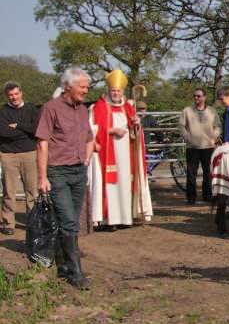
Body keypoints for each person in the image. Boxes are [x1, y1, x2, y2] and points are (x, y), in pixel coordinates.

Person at [35, 67, 95, 289]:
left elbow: (89, 137)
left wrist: (86, 161)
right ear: (68, 85)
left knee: (71, 220)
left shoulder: (82, 110)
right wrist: (43, 177)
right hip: (57, 172)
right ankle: (75, 272)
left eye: (87, 87)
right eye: (82, 86)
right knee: (69, 220)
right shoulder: (50, 109)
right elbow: (42, 143)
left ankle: (62, 264)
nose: (86, 90)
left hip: (78, 171)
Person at [87, 70, 152, 228]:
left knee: (125, 184)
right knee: (110, 186)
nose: (116, 93)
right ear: (108, 90)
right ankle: (109, 220)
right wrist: (111, 130)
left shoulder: (128, 108)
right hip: (107, 153)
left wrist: (136, 126)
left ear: (123, 91)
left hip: (127, 154)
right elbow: (91, 130)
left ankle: (126, 218)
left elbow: (135, 133)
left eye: (118, 90)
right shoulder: (98, 107)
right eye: (113, 90)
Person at [0, 81, 39, 235]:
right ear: (6, 96)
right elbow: (3, 133)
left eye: (16, 94)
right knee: (9, 191)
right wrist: (25, 130)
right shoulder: (2, 111)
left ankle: (33, 222)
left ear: (21, 93)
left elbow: (36, 130)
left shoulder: (31, 109)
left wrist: (18, 125)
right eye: (10, 95)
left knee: (32, 191)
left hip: (30, 153)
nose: (14, 97)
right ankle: (9, 223)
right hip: (8, 155)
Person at [179, 87, 221, 204]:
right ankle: (191, 197)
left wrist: (215, 136)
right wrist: (187, 137)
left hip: (208, 147)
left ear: (204, 97)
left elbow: (217, 126)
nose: (196, 98)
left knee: (208, 173)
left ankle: (207, 195)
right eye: (195, 96)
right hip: (192, 148)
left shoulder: (212, 111)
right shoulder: (187, 110)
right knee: (191, 174)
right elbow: (181, 126)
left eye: (198, 96)